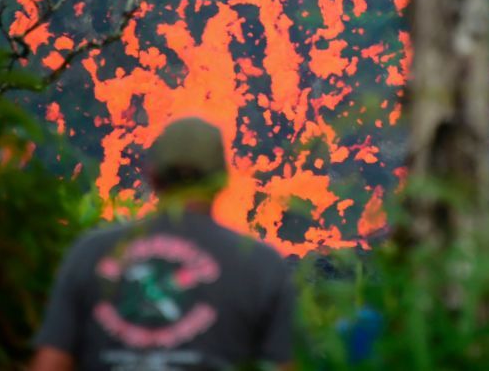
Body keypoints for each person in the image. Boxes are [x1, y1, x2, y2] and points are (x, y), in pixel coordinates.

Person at [30, 117, 295, 371]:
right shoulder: (260, 264)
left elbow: (51, 363)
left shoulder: (90, 253)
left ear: (152, 174)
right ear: (223, 181)